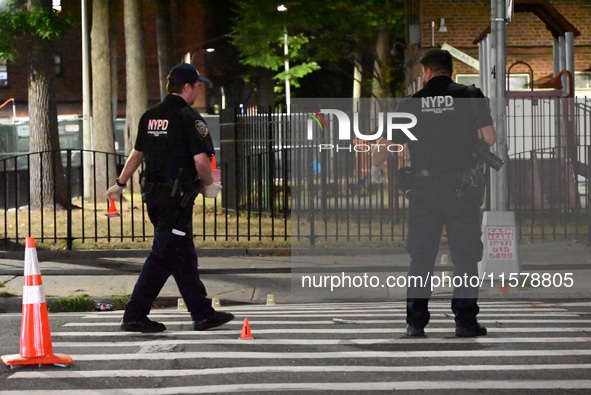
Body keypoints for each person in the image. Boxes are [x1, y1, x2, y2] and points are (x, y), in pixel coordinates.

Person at [372, 49, 496, 338]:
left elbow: (384, 149)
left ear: (426, 72)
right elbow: (489, 138)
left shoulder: (411, 104)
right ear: (449, 70)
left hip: (425, 189)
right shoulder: (470, 95)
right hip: (462, 189)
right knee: (465, 257)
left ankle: (416, 322)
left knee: (422, 256)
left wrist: (377, 168)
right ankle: (465, 322)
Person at [105, 63, 234, 333]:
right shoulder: (190, 117)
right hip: (177, 199)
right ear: (187, 87)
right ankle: (134, 314)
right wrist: (210, 186)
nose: (199, 89)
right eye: (197, 85)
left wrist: (120, 183)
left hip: (154, 196)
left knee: (183, 255)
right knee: (163, 255)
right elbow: (201, 161)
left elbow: (137, 154)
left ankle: (202, 313)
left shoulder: (151, 115)